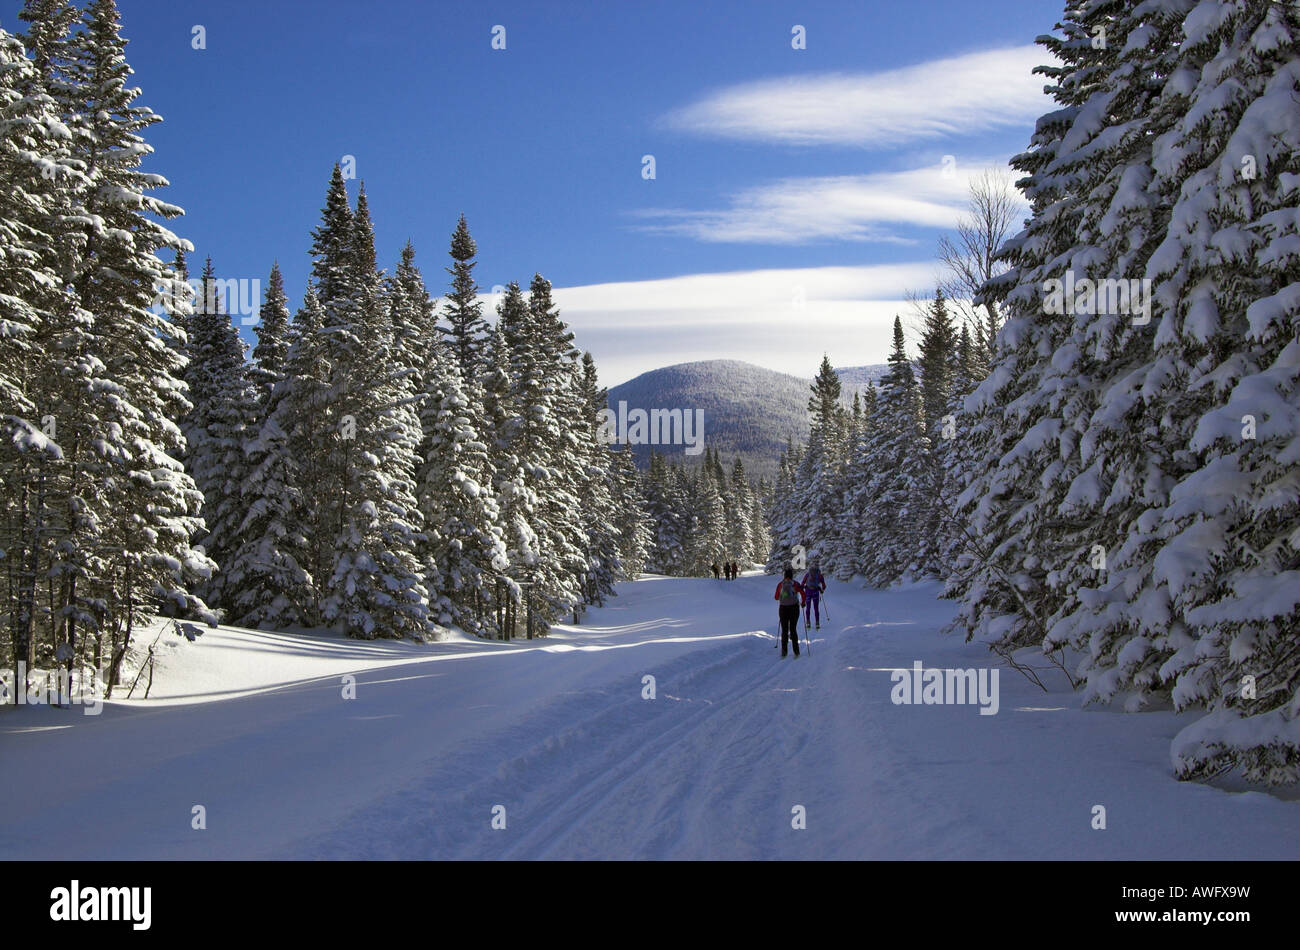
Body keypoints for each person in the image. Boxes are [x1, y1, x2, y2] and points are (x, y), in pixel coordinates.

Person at [773, 568, 804, 657]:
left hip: (783, 609)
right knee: (793, 629)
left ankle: (784, 651)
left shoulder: (780, 584)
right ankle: (796, 651)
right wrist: (803, 602)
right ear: (792, 576)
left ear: (784, 575)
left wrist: (783, 596)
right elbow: (803, 593)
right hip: (794, 608)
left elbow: (776, 597)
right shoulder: (796, 584)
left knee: (784, 630)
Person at [801, 559, 827, 630]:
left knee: (808, 608)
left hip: (808, 592)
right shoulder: (819, 575)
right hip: (815, 592)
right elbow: (824, 586)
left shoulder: (807, 574)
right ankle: (817, 623)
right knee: (816, 608)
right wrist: (821, 590)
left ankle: (808, 622)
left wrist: (803, 589)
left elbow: (802, 584)